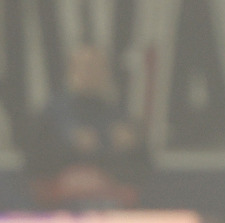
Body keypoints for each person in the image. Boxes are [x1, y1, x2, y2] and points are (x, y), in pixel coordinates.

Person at [22, 44, 151, 212]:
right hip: (60, 211)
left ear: (106, 73)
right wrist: (68, 149)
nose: (89, 73)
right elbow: (34, 168)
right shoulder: (51, 115)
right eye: (83, 67)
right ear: (71, 71)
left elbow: (142, 172)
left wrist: (129, 147)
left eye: (96, 68)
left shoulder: (119, 117)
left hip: (109, 211)